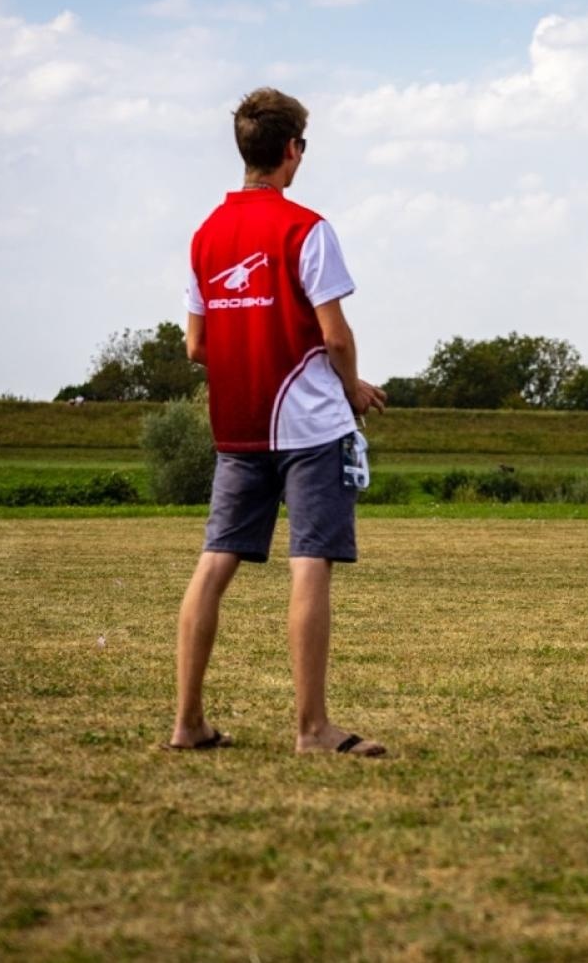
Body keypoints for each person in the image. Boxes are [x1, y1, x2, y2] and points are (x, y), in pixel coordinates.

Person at [168, 87, 387, 756]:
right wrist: (352, 390)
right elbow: (336, 337)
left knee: (214, 563)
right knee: (309, 562)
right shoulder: (306, 229)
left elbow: (197, 346)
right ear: (292, 151)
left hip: (239, 425)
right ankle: (312, 727)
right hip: (311, 426)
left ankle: (187, 722)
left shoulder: (206, 235)